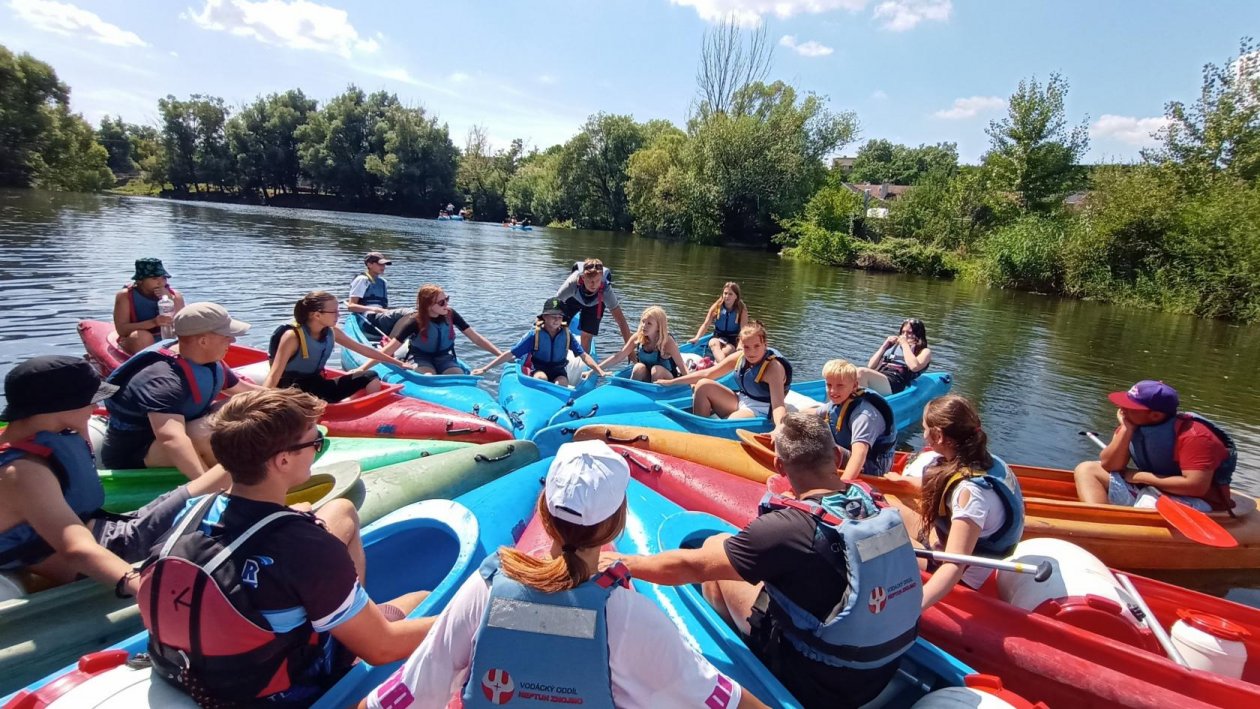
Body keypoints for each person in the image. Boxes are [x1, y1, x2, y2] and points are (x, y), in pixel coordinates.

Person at [359, 440, 767, 709]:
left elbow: (395, 699)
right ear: (615, 527)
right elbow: (723, 700)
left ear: (543, 513)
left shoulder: (483, 592)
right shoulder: (629, 616)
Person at [137, 388, 434, 706]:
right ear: (282, 460)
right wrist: (473, 613)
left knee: (341, 512)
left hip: (188, 672)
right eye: (315, 442)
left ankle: (346, 611)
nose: (318, 448)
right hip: (275, 690)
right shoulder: (308, 548)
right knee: (423, 600)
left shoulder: (192, 510)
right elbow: (381, 650)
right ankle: (350, 635)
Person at [609, 414, 921, 709]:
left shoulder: (786, 528)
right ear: (837, 458)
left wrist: (622, 562)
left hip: (823, 684)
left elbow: (694, 566)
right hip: (883, 671)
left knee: (715, 555)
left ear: (779, 466)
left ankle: (750, 661)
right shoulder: (875, 504)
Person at [0, 355, 228, 593]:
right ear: (60, 407)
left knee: (204, 491)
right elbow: (76, 548)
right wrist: (142, 588)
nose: (93, 407)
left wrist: (78, 425)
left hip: (113, 528)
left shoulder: (23, 441)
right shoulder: (23, 472)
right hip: (119, 548)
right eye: (89, 401)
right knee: (233, 475)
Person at [885, 395, 1024, 609]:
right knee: (883, 502)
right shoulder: (985, 460)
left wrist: (911, 610)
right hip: (944, 541)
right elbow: (947, 481)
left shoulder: (971, 493)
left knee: (880, 538)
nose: (923, 435)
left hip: (960, 577)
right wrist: (904, 481)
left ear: (938, 435)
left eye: (925, 429)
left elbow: (953, 566)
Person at [101, 302, 258, 480]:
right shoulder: (163, 379)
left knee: (246, 405)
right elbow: (171, 439)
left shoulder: (206, 359)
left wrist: (292, 401)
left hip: (180, 428)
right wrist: (207, 489)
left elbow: (247, 392)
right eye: (226, 336)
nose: (232, 340)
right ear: (203, 341)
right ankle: (229, 481)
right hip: (135, 451)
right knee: (214, 434)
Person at [1073, 380, 1236, 512]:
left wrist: (1141, 477)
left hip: (1197, 501)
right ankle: (1100, 521)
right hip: (1153, 489)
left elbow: (1195, 487)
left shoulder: (1196, 436)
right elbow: (1109, 464)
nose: (1122, 409)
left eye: (1130, 407)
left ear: (1155, 415)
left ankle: (1123, 534)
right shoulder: (1134, 423)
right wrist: (1126, 429)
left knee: (1150, 502)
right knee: (1087, 469)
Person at [265, 291, 413, 402]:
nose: (338, 315)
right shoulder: (293, 337)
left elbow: (364, 349)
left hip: (318, 385)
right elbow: (274, 374)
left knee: (370, 376)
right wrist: (261, 403)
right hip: (292, 391)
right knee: (309, 401)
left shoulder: (332, 331)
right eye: (334, 312)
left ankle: (364, 414)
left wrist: (398, 363)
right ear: (317, 315)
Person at [660, 321, 794, 428]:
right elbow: (708, 373)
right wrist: (672, 382)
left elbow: (778, 405)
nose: (751, 352)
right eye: (746, 347)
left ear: (765, 344)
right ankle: (699, 428)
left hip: (762, 408)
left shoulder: (774, 368)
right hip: (742, 399)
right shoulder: (741, 356)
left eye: (757, 346)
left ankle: (712, 432)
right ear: (741, 345)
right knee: (702, 385)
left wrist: (779, 428)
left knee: (730, 422)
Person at [474, 298, 606, 386]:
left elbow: (584, 356)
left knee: (561, 383)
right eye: (553, 316)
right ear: (544, 317)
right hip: (539, 369)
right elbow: (511, 354)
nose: (556, 320)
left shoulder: (567, 335)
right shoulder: (535, 335)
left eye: (559, 317)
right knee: (541, 379)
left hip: (559, 370)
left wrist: (599, 370)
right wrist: (485, 368)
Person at [382, 284, 503, 375]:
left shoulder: (451, 314)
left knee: (457, 376)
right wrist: (363, 368)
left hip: (444, 356)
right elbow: (389, 350)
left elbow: (475, 338)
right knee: (428, 376)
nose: (446, 304)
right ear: (428, 305)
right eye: (441, 302)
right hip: (421, 357)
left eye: (447, 299)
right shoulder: (414, 321)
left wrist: (500, 355)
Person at [812, 359, 897, 479]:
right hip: (851, 457)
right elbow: (812, 413)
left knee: (819, 446)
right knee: (808, 429)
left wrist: (842, 488)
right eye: (829, 385)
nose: (833, 391)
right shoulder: (842, 400)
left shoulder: (864, 415)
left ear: (855, 386)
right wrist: (784, 423)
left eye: (840, 385)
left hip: (870, 469)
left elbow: (859, 454)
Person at [554, 258, 632, 353]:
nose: (594, 285)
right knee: (559, 326)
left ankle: (584, 362)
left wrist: (630, 352)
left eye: (597, 280)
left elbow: (621, 321)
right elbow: (553, 304)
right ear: (583, 277)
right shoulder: (572, 283)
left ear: (602, 277)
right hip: (574, 298)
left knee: (587, 335)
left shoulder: (606, 291)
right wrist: (542, 323)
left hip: (596, 302)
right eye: (590, 280)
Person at [113, 257, 186, 355]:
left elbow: (183, 325)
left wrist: (171, 300)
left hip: (167, 337)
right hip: (137, 340)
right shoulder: (125, 296)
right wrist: (154, 322)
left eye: (163, 278)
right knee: (143, 337)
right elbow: (122, 330)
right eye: (154, 278)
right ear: (140, 281)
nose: (161, 282)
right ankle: (146, 363)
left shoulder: (174, 295)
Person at [597, 306, 685, 382]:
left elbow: (682, 366)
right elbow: (619, 356)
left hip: (667, 380)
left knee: (656, 370)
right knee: (638, 367)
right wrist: (595, 370)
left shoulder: (667, 341)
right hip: (648, 377)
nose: (644, 326)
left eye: (649, 323)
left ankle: (654, 396)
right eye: (643, 321)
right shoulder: (638, 337)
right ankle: (632, 392)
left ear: (658, 327)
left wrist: (692, 385)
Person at [858, 318, 932, 396]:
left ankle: (861, 404)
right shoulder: (893, 346)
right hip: (882, 376)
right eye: (903, 332)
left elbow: (914, 367)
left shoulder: (925, 351)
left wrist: (904, 344)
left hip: (895, 382)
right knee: (852, 371)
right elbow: (871, 366)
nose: (905, 335)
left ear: (918, 334)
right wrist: (884, 346)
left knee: (861, 372)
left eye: (909, 333)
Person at [347, 252, 412, 337]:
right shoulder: (362, 280)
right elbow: (351, 306)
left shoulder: (383, 282)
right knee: (404, 313)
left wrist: (385, 310)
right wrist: (375, 309)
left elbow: (383, 308)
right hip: (367, 320)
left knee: (410, 313)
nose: (383, 267)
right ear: (369, 264)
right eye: (380, 264)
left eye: (384, 265)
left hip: (379, 317)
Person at [690, 282, 748, 360]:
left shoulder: (741, 309)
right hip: (718, 336)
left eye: (730, 294)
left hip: (732, 339)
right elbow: (706, 324)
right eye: (725, 293)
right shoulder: (717, 307)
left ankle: (716, 366)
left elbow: (743, 331)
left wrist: (740, 344)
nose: (727, 296)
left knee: (726, 351)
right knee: (713, 344)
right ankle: (719, 365)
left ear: (736, 296)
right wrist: (697, 338)